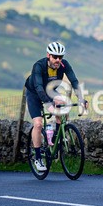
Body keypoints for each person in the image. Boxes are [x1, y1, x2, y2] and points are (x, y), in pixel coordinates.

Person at [24, 41, 88, 172]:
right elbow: (39, 88)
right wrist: (49, 104)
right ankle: (38, 158)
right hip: (34, 93)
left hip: (50, 90)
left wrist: (81, 98)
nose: (58, 60)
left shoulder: (64, 65)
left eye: (60, 57)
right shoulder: (38, 66)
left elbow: (74, 81)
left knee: (63, 107)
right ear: (48, 55)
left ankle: (56, 139)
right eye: (55, 57)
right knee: (38, 124)